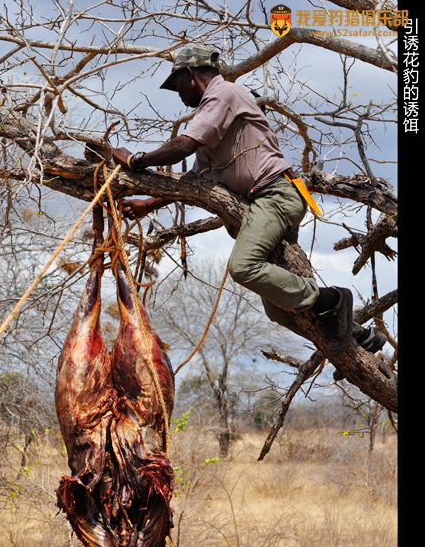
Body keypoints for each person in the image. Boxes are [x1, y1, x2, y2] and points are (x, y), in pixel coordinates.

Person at [112, 44, 386, 365]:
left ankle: (333, 298)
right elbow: (195, 179)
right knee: (279, 310)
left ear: (190, 75)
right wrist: (148, 204)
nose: (177, 94)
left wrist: (135, 160)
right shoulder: (210, 114)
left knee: (243, 267)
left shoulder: (223, 94)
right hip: (263, 204)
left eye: (177, 85)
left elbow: (182, 146)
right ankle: (359, 336)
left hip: (276, 194)